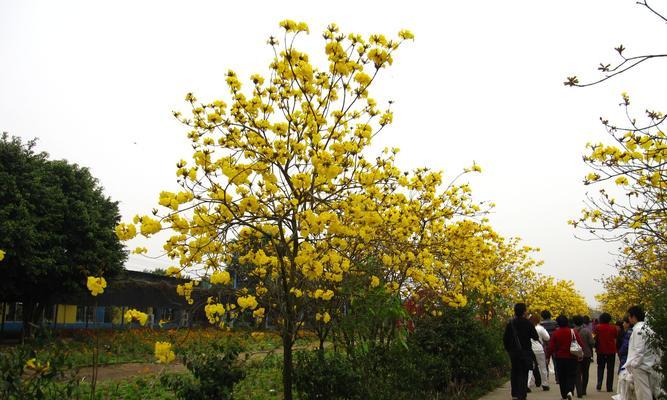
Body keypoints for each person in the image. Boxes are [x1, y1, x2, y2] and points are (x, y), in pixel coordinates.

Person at [623, 306, 661, 400]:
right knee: (646, 391)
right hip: (648, 364)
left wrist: (634, 364)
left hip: (640, 366)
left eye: (629, 316)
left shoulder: (638, 330)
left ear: (634, 317)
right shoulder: (647, 328)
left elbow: (639, 350)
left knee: (643, 393)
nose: (628, 318)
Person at [504, 303, 539, 400]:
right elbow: (535, 337)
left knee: (515, 372)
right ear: (524, 311)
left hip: (514, 353)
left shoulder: (510, 324)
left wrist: (509, 350)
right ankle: (522, 394)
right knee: (524, 373)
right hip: (525, 352)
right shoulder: (528, 323)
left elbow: (505, 339)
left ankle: (515, 394)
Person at [548, 315, 584, 400]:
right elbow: (580, 344)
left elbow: (551, 347)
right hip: (572, 357)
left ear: (558, 323)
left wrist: (548, 356)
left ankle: (564, 395)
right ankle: (570, 391)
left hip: (560, 358)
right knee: (571, 375)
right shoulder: (573, 332)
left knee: (562, 376)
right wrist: (580, 354)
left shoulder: (555, 333)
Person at [594, 312, 618, 392]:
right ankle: (609, 387)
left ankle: (599, 384)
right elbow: (615, 337)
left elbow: (595, 337)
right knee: (610, 369)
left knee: (600, 368)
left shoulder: (597, 327)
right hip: (611, 351)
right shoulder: (613, 328)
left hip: (601, 350)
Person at [573, 315, 595, 398]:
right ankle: (584, 390)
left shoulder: (572, 331)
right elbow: (592, 342)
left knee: (577, 373)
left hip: (575, 355)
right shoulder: (587, 331)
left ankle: (579, 390)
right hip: (586, 354)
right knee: (585, 372)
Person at [528, 314, 550, 391]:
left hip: (530, 349)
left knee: (530, 367)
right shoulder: (540, 328)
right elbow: (547, 337)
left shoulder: (527, 327)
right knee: (543, 367)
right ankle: (545, 384)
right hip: (539, 350)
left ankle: (528, 384)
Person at [616, 315, 634, 400]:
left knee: (623, 377)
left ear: (628, 323)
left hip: (626, 357)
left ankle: (624, 396)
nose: (623, 324)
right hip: (628, 357)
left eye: (624, 322)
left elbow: (625, 345)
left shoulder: (629, 332)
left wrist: (620, 352)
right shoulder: (630, 331)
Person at [541, 310, 558, 384]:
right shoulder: (555, 323)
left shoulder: (541, 324)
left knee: (545, 362)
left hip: (545, 344)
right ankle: (558, 378)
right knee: (556, 362)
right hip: (554, 344)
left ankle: (546, 378)